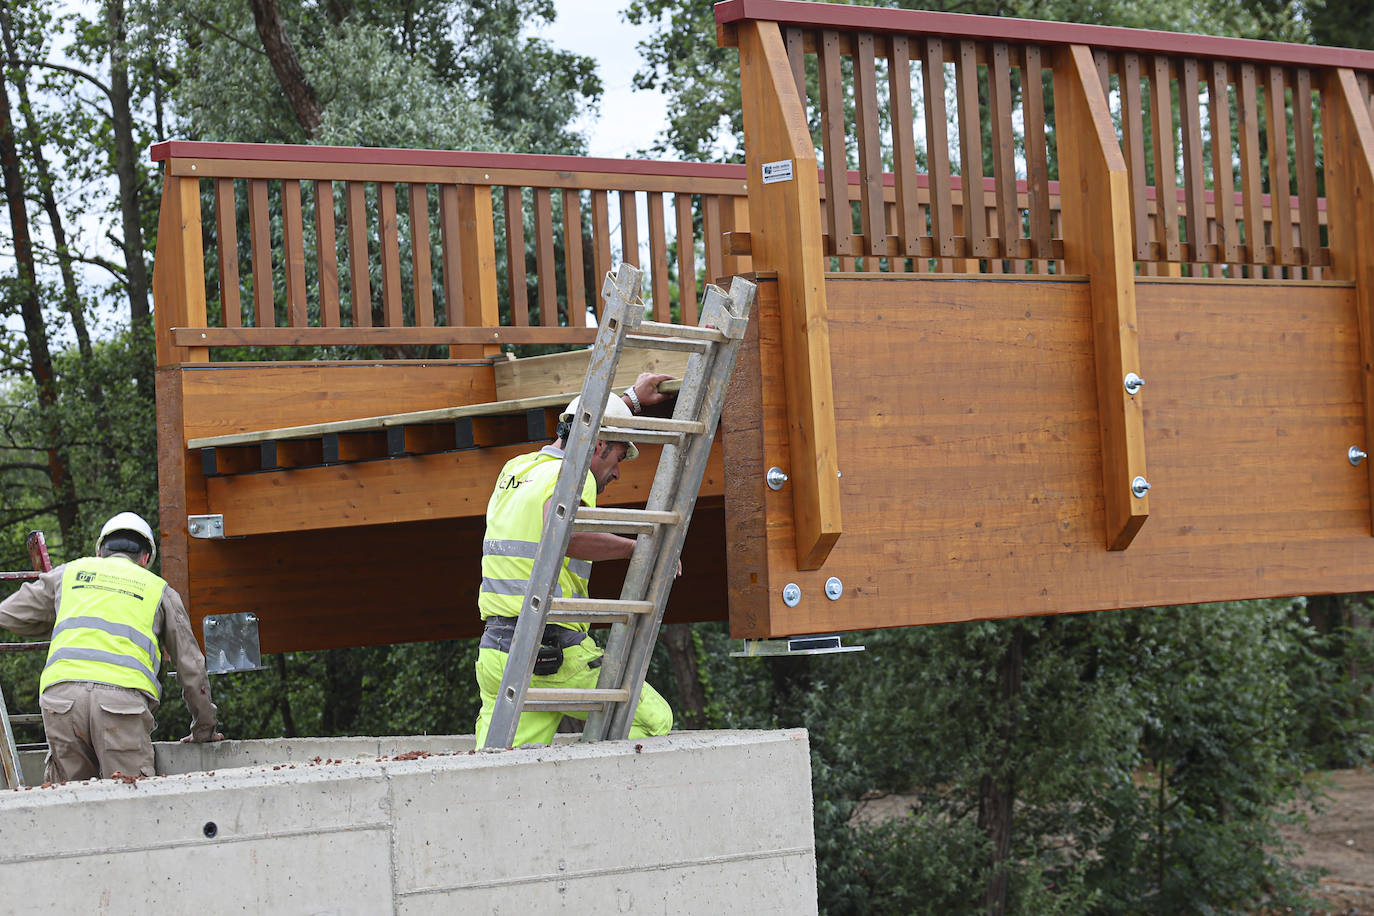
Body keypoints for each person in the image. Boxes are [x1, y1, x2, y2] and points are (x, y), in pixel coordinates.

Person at [475, 374, 677, 747]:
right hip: (551, 652)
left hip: (499, 654)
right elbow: (565, 533)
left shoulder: (517, 469)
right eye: (618, 457)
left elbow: (587, 421)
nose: (617, 472)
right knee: (653, 724)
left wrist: (630, 400)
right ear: (598, 446)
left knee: (500, 767)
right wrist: (640, 549)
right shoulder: (573, 473)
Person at [0, 512, 222, 782]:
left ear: (101, 553)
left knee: (69, 804)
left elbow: (9, 614)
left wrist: (54, 621)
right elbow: (191, 666)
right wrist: (203, 727)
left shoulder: (69, 574)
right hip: (122, 705)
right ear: (145, 559)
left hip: (62, 702)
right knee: (129, 803)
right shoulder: (158, 590)